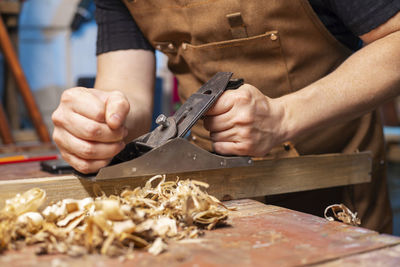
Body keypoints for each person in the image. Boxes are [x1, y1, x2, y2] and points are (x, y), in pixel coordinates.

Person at [52, 0, 400, 233]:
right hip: (206, 200)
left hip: (332, 198)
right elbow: (125, 87)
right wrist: (102, 124)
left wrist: (284, 116)